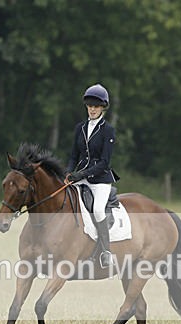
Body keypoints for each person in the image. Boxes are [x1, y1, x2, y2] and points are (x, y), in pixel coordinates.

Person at [65, 83, 117, 269]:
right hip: (79, 177)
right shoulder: (80, 128)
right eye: (90, 105)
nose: (92, 109)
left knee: (97, 210)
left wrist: (83, 174)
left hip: (100, 180)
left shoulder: (108, 130)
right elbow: (73, 155)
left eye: (96, 106)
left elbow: (105, 162)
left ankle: (106, 252)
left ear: (103, 107)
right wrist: (68, 172)